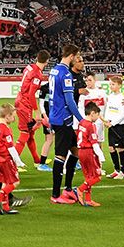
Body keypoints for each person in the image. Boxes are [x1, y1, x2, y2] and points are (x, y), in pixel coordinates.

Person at [48, 45, 84, 204]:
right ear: (72, 56)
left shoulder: (54, 70)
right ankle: (56, 195)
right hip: (63, 119)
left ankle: (68, 188)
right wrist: (81, 120)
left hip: (57, 117)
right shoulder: (65, 74)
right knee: (60, 156)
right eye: (77, 57)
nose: (78, 60)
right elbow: (69, 100)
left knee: (76, 152)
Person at [0, 103, 25, 215]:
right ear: (7, 116)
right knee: (15, 182)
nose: (14, 119)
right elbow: (11, 148)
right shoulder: (6, 130)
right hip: (6, 159)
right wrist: (19, 162)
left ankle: (6, 207)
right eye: (13, 116)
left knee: (5, 182)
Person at [14, 50, 49, 169]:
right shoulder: (37, 74)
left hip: (20, 99)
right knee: (25, 132)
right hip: (25, 103)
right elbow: (30, 94)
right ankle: (13, 162)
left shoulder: (29, 67)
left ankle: (36, 160)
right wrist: (37, 111)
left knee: (30, 133)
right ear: (47, 62)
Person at [74, 102, 104, 207]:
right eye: (97, 114)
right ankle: (80, 189)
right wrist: (101, 156)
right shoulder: (91, 125)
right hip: (88, 152)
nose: (98, 117)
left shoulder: (81, 122)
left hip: (80, 152)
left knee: (88, 176)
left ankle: (88, 199)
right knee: (97, 176)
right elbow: (95, 144)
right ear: (92, 113)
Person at [103, 74, 124, 179]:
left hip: (119, 126)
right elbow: (108, 109)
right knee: (111, 148)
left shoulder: (122, 98)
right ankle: (116, 170)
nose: (111, 86)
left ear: (119, 85)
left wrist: (112, 123)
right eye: (110, 84)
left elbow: (122, 114)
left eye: (113, 84)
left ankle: (122, 172)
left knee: (120, 149)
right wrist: (106, 120)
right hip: (111, 125)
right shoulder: (110, 96)